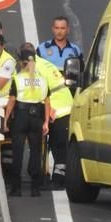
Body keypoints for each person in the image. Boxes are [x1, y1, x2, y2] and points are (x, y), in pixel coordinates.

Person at [24, 41, 74, 189]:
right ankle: (52, 177)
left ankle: (59, 180)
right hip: (64, 104)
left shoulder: (34, 67)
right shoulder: (44, 63)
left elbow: (38, 93)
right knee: (55, 144)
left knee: (59, 146)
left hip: (59, 108)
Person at [3, 48, 51, 197]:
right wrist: (46, 123)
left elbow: (12, 101)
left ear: (20, 63)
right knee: (36, 152)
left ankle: (16, 188)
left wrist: (5, 120)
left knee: (17, 152)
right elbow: (47, 102)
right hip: (37, 117)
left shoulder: (17, 79)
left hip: (21, 117)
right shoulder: (42, 80)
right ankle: (35, 188)